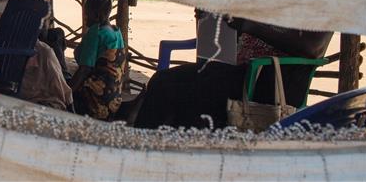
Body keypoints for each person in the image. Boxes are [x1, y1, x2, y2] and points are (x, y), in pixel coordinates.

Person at [133, 10, 332, 129]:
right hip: (244, 75)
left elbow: (313, 47)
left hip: (273, 83)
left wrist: (249, 24)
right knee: (167, 82)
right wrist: (215, 18)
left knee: (177, 87)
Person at [70, 0, 126, 120]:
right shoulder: (117, 32)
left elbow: (84, 69)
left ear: (96, 15)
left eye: (87, 14)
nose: (85, 18)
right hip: (113, 99)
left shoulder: (96, 33)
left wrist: (67, 92)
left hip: (96, 101)